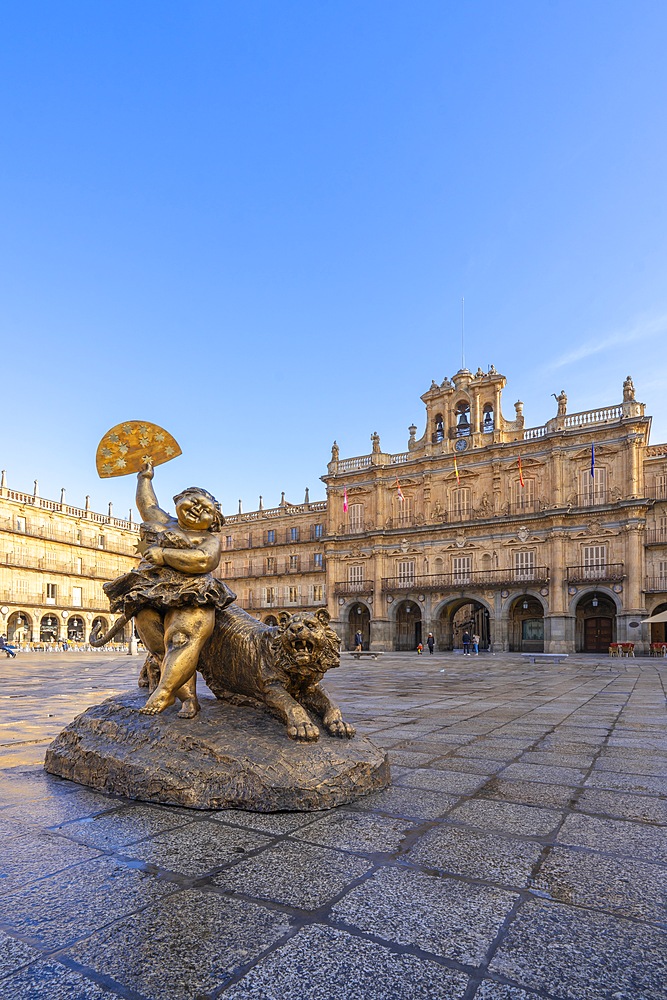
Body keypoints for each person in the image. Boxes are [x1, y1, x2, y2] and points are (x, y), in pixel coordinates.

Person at [104, 462, 235, 718]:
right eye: (192, 501)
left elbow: (204, 560)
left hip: (193, 593)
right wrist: (145, 479)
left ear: (214, 523)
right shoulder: (165, 522)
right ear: (179, 500)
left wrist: (164, 554)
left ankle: (163, 692)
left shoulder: (208, 539)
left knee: (181, 639)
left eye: (205, 510)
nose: (197, 510)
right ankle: (188, 697)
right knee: (158, 645)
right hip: (154, 592)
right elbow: (147, 505)